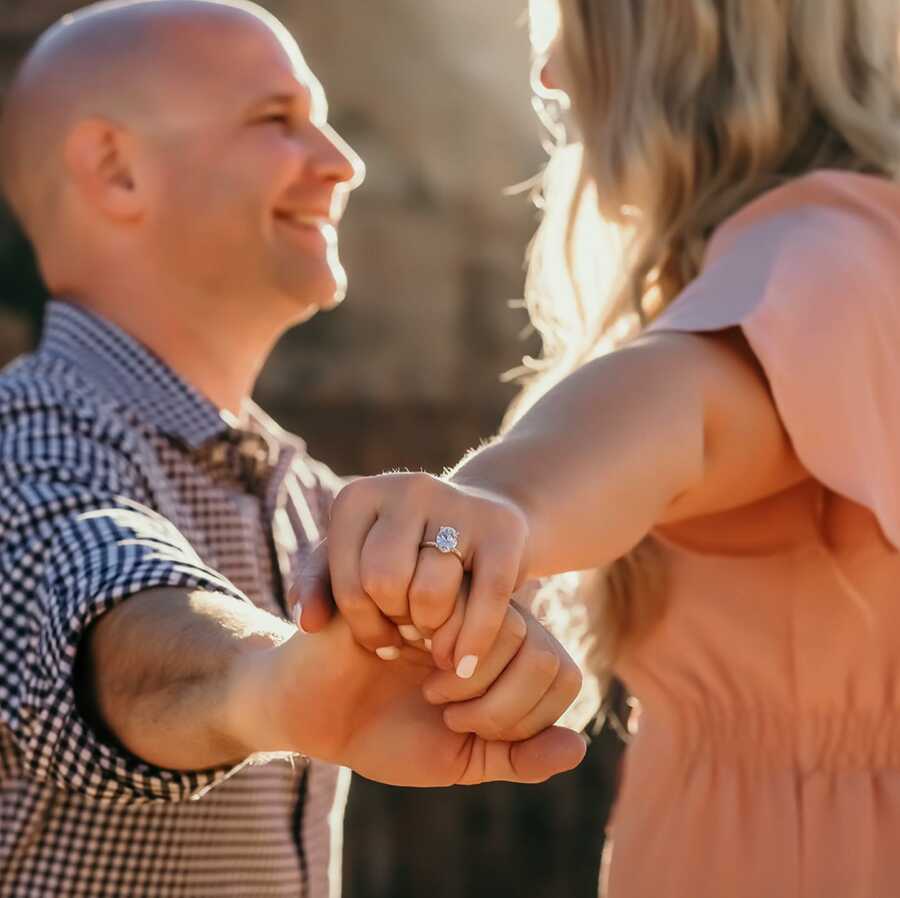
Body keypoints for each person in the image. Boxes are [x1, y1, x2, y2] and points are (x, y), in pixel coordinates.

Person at [296, 1, 900, 895]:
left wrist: (497, 507)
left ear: (682, 41)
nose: (548, 77)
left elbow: (689, 408)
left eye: (571, 29)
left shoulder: (824, 259)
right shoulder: (832, 243)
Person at [0, 1, 587, 896]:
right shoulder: (25, 438)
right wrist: (262, 684)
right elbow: (92, 586)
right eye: (276, 120)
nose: (344, 165)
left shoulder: (311, 501)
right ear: (115, 171)